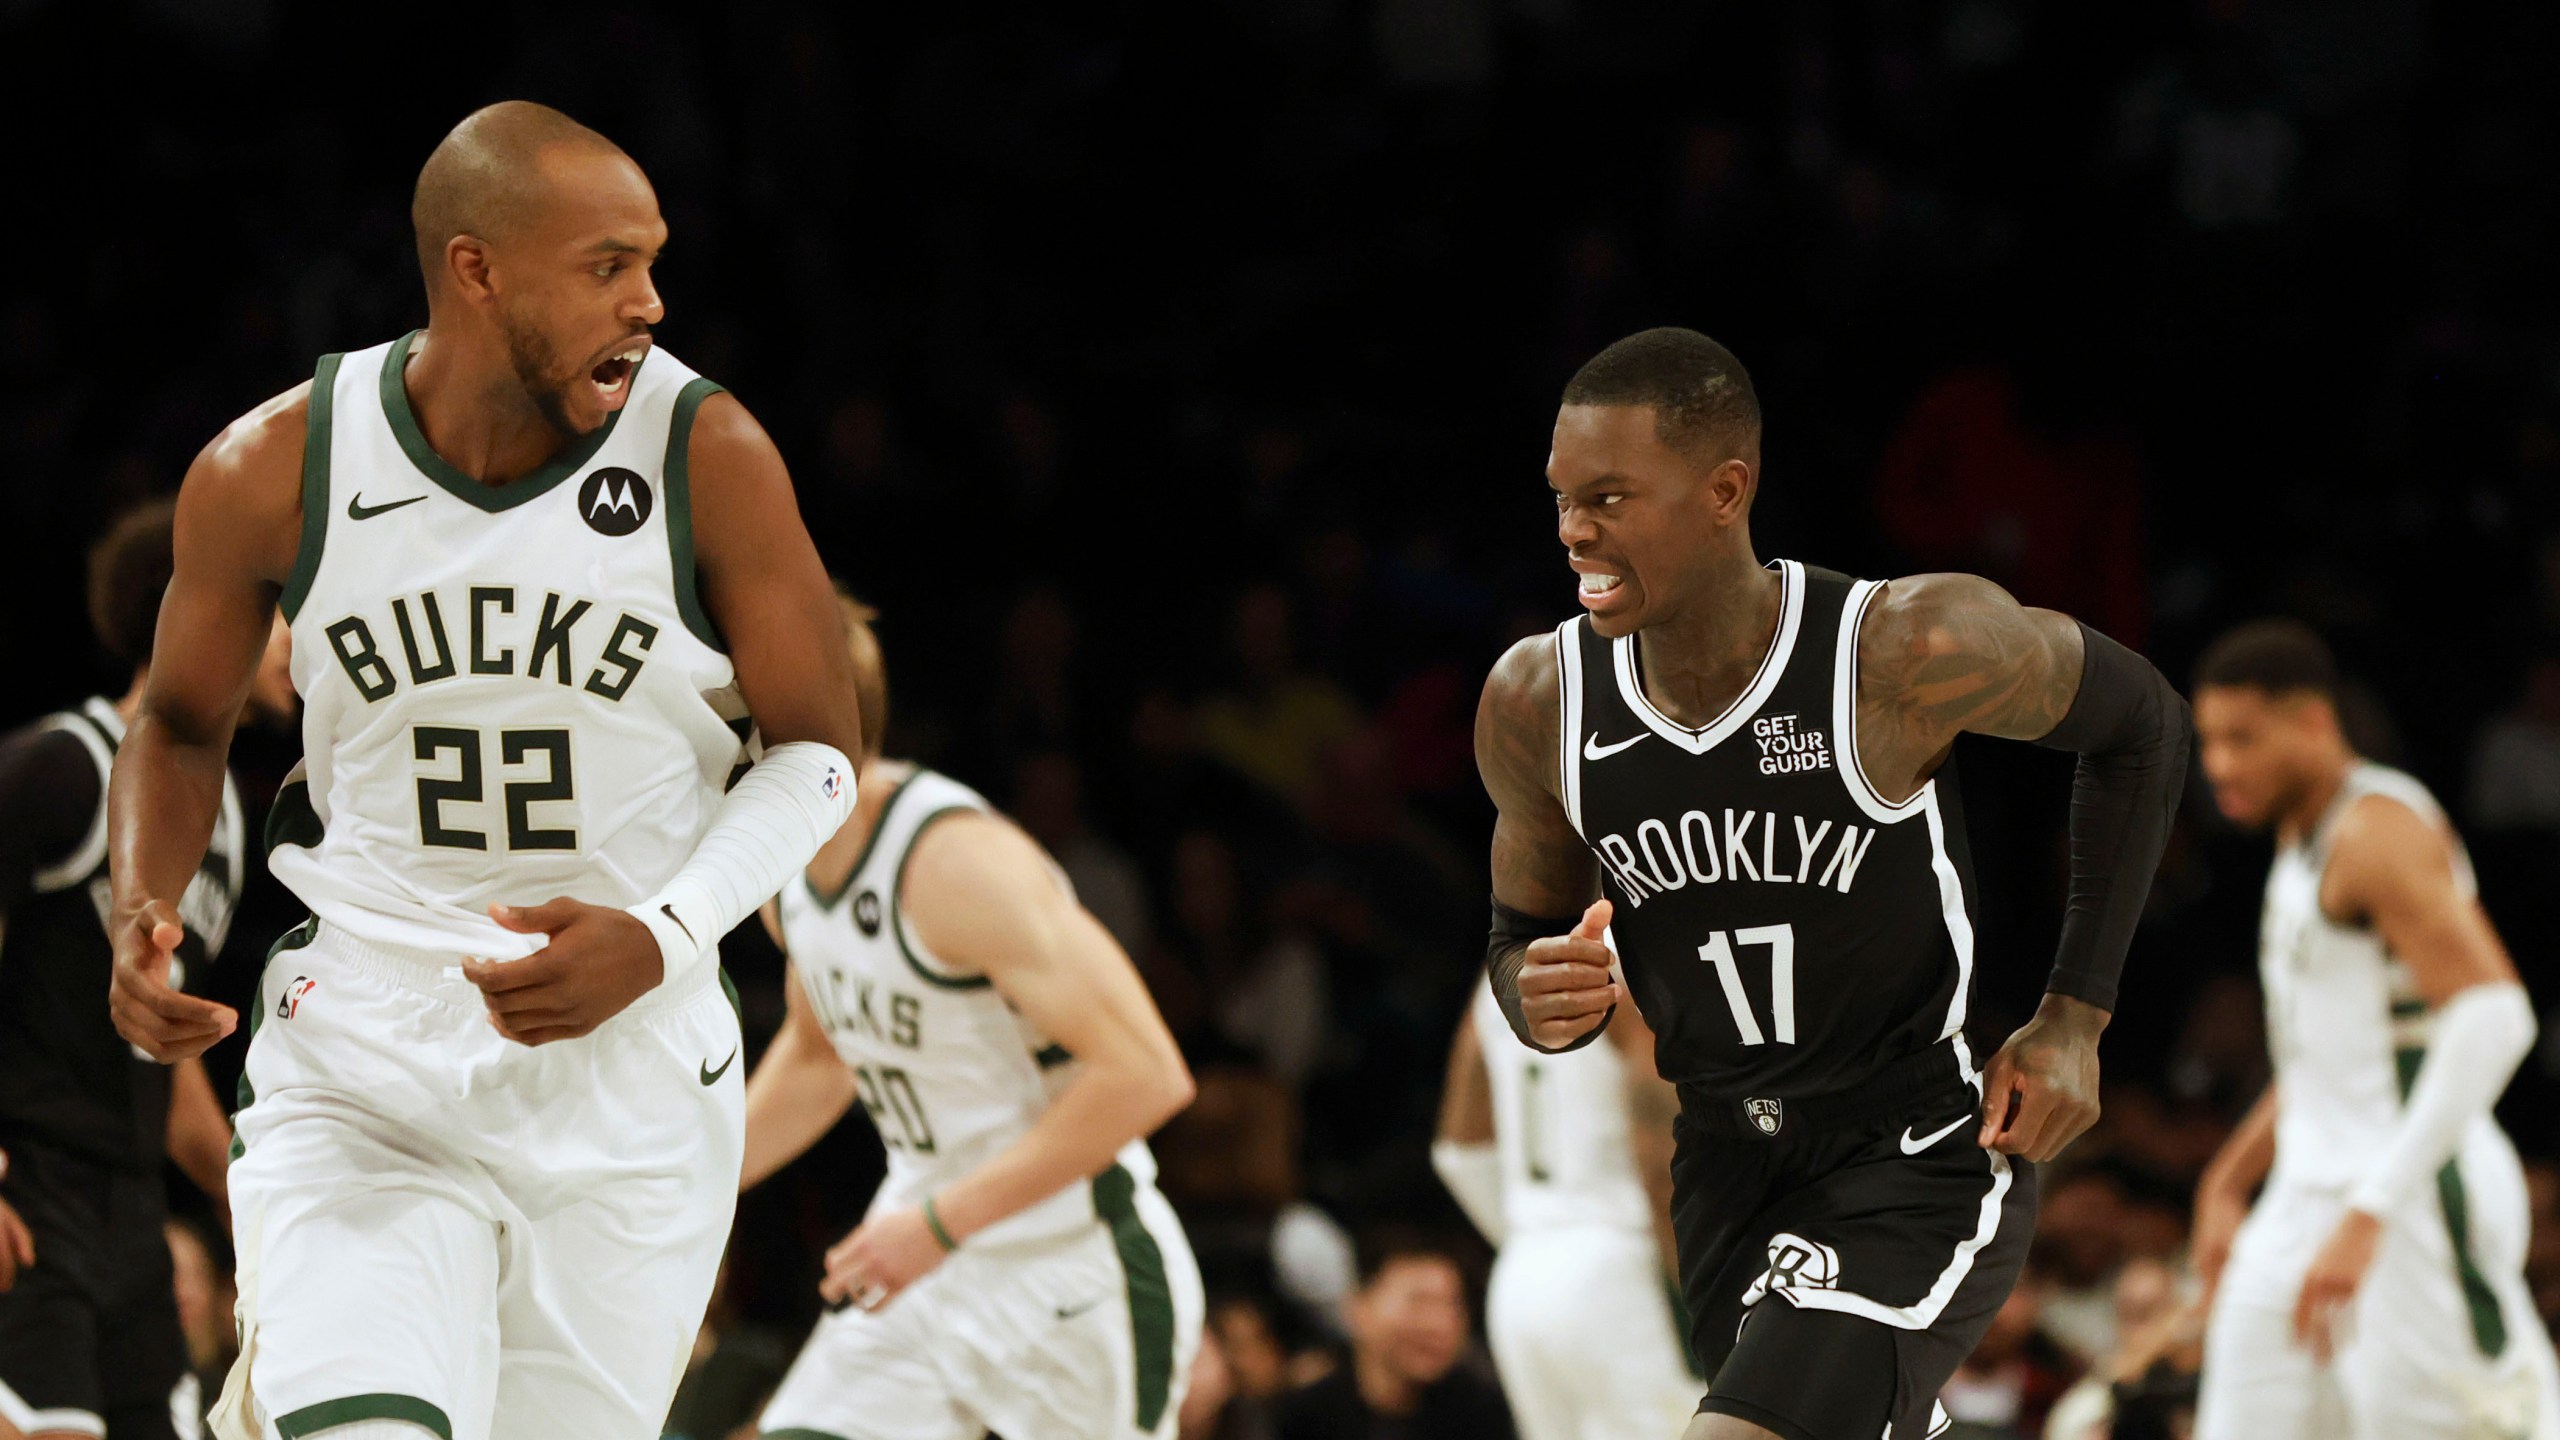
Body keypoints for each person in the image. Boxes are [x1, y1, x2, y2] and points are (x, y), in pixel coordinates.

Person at [104, 102, 862, 1440]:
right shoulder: (276, 467)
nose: (649, 300)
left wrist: (666, 932)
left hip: (629, 1059)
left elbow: (819, 750)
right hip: (366, 1041)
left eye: (652, 260)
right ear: (477, 269)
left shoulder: (710, 456)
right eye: (608, 265)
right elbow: (175, 721)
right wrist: (142, 905)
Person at [1478, 328, 2188, 1440]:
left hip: (1907, 1150)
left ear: (1725, 490)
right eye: (1563, 497)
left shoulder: (1896, 649)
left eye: (1609, 497)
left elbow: (2142, 720)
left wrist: (2073, 1015)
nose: (1574, 529)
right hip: (1718, 1164)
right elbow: (1519, 927)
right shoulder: (1538, 699)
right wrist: (1532, 984)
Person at [740, 591, 1202, 1439]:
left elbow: (1148, 1076)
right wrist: (694, 1174)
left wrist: (942, 1225)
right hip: (919, 1256)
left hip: (1069, 1268)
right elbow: (820, 1056)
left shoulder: (954, 862)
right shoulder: (786, 859)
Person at [2187, 620, 2560, 1440]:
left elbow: (2498, 1016)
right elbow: (2326, 1059)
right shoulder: (2297, 837)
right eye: (2209, 741)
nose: (2219, 765)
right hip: (2307, 1192)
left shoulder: (2376, 831)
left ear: (2314, 722)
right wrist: (2227, 1180)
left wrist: (2371, 1210)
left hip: (2414, 1196)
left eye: (2242, 739)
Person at [0, 500, 279, 1440]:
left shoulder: (229, 826)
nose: (296, 631)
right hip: (27, 1191)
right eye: (277, 604)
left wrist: (255, 1197)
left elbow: (170, 1061)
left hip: (130, 1217)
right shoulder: (59, 766)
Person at [1433, 980, 1697, 1440]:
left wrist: (1534, 1234)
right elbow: (1658, 1156)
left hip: (1523, 1276)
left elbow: (1460, 1147)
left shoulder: (1502, 968)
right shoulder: (1633, 954)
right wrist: (1699, 1293)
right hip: (1621, 1266)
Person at [1273, 1239, 1515, 1440]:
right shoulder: (1308, 1416)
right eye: (1419, 1302)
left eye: (1453, 1305)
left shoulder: (1481, 1412)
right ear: (1359, 1308)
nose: (1439, 1323)